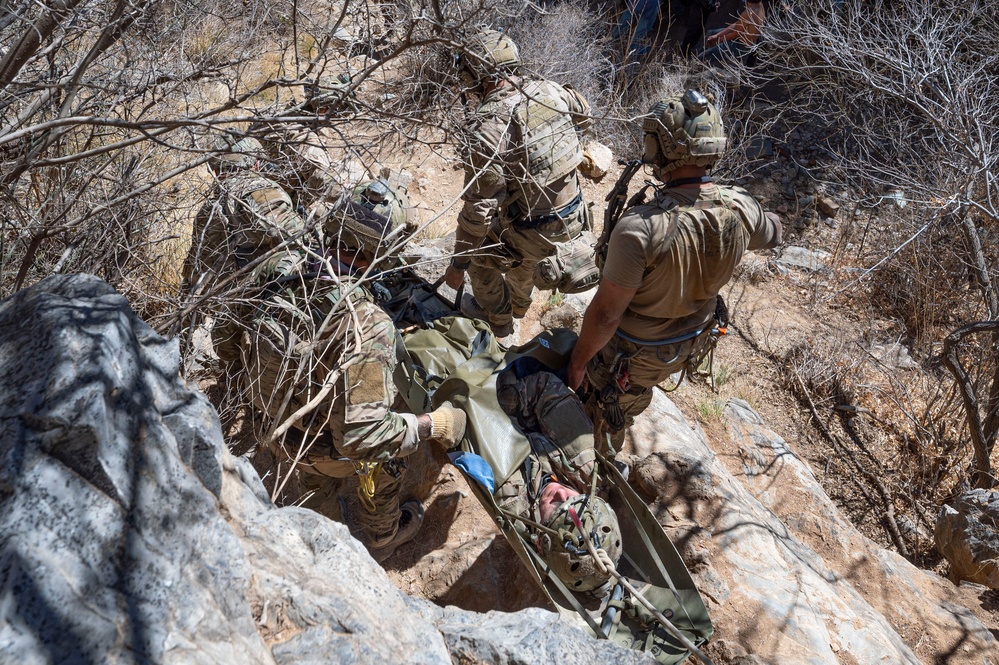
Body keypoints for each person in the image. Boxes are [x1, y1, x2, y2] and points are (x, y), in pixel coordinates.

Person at [241, 178, 466, 562]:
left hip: (273, 425)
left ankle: (321, 515)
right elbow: (362, 438)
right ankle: (382, 537)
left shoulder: (278, 267)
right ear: (384, 251)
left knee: (317, 467)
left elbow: (232, 332)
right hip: (329, 448)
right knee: (389, 454)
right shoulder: (365, 324)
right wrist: (434, 424)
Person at [566, 90, 782, 451]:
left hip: (633, 356)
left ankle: (596, 466)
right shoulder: (740, 207)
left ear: (662, 147)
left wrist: (577, 362)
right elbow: (773, 231)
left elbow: (605, 315)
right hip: (687, 344)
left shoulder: (641, 228)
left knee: (598, 416)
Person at [443, 29, 595, 338]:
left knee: (480, 254)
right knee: (521, 240)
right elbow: (585, 115)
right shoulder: (549, 90)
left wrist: (457, 267)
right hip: (576, 218)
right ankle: (520, 308)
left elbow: (479, 212)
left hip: (534, 231)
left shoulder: (488, 128)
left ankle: (499, 322)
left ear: (476, 73)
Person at [492, 367, 623, 594]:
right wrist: (515, 399)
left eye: (557, 511)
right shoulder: (584, 461)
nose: (562, 495)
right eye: (575, 500)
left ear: (542, 537)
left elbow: (483, 432)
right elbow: (547, 389)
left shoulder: (511, 502)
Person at [699, 0, 766, 66]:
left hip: (740, 46)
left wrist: (718, 40)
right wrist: (717, 35)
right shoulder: (758, 6)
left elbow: (735, 34)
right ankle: (704, 52)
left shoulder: (749, 12)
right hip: (738, 37)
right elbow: (738, 23)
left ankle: (700, 62)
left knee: (702, 57)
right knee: (711, 33)